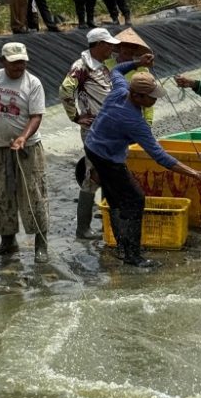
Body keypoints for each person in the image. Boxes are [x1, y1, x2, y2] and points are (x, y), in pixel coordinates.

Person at [86, 60, 201, 268]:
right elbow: (160, 157)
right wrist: (194, 173)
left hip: (93, 145)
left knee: (116, 200)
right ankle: (133, 255)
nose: (155, 101)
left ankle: (122, 245)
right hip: (106, 157)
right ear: (138, 96)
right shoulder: (133, 121)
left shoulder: (120, 88)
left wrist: (138, 62)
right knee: (136, 200)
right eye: (152, 97)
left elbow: (117, 70)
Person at [0, 42, 49, 263]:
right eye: (14, 62)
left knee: (34, 194)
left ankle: (40, 245)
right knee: (1, 193)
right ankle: (8, 241)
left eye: (22, 61)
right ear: (2, 61)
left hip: (28, 148)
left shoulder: (33, 83)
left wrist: (23, 137)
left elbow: (36, 116)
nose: (19, 66)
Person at [59, 26, 122, 238]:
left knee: (107, 174)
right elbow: (65, 90)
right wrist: (76, 117)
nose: (111, 50)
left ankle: (106, 224)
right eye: (109, 46)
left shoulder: (102, 65)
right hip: (94, 130)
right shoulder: (82, 66)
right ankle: (83, 229)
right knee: (93, 175)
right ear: (99, 45)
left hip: (108, 128)